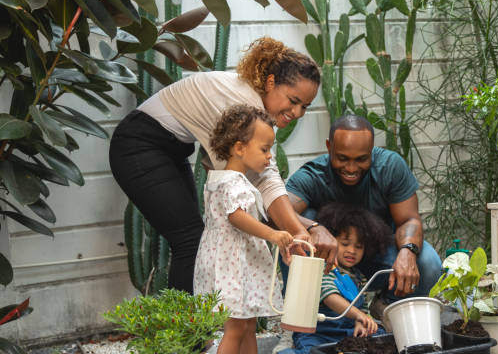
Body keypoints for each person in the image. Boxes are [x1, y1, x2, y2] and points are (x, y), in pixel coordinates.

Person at [109, 37, 334, 294]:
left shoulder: (254, 107)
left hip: (170, 149)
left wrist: (298, 229)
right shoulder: (240, 102)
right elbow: (261, 180)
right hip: (138, 145)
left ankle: (194, 328)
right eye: (293, 101)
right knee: (190, 241)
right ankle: (185, 330)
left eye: (304, 107)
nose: (297, 113)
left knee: (195, 239)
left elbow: (255, 183)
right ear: (271, 82)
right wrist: (302, 229)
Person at [285, 115, 443, 318]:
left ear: (371, 150)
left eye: (361, 159)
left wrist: (408, 251)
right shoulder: (313, 174)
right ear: (329, 147)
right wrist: (314, 227)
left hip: (379, 256)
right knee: (296, 228)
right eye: (342, 158)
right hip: (330, 263)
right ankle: (298, 316)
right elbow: (276, 211)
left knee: (429, 263)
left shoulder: (390, 166)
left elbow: (409, 220)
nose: (351, 168)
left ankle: (387, 307)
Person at [194, 105, 294, 354]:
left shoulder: (221, 179)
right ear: (239, 148)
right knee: (236, 328)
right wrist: (272, 234)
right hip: (233, 267)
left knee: (248, 324)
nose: (269, 156)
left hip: (232, 264)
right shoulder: (233, 183)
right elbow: (235, 217)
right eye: (264, 149)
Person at [280, 202, 390, 354]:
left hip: (346, 332)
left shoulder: (360, 277)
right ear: (331, 242)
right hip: (317, 333)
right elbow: (329, 297)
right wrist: (359, 315)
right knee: (310, 350)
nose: (352, 250)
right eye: (345, 244)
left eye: (359, 247)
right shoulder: (323, 268)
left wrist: (361, 322)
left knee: (380, 337)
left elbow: (363, 308)